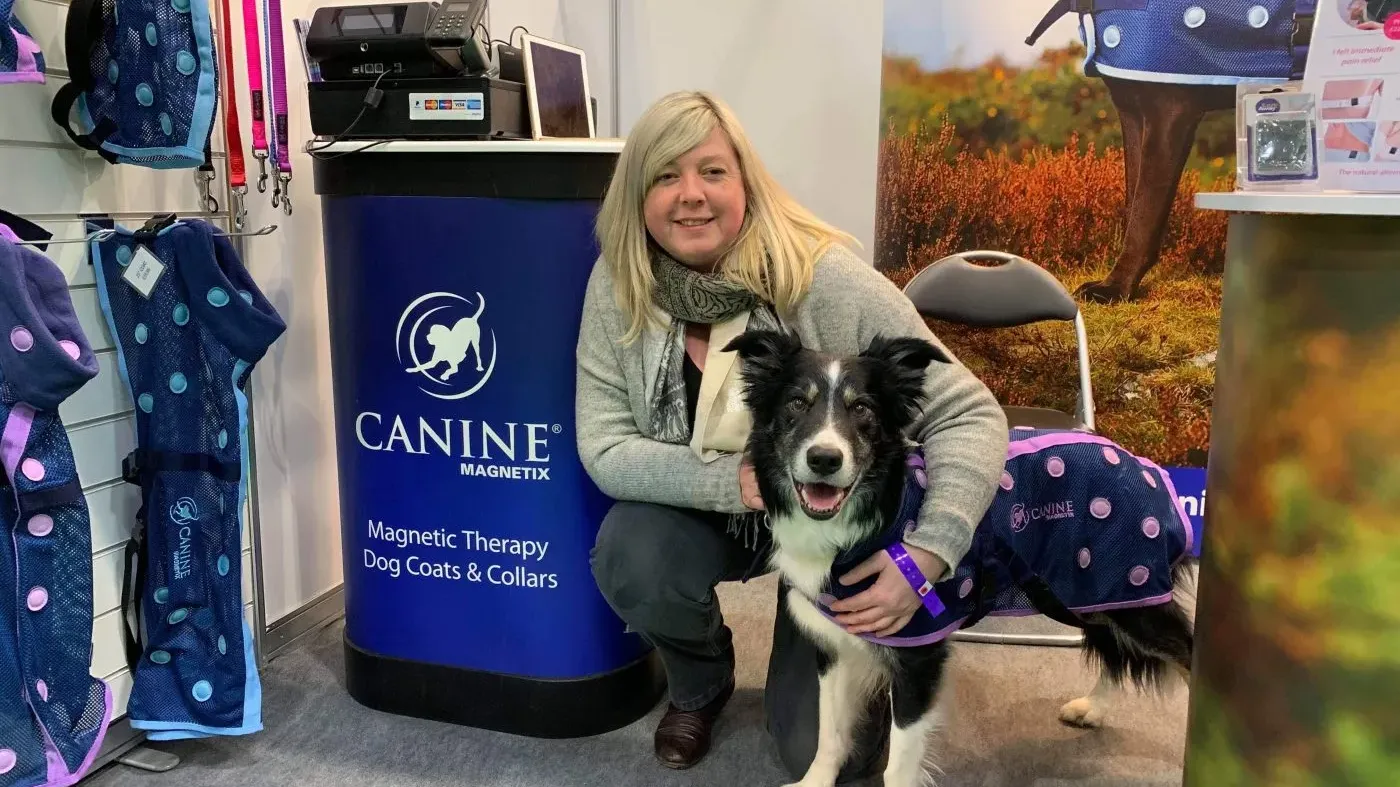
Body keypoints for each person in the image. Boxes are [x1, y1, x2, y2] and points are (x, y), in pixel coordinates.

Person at [575, 90, 1009, 782]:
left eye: (712, 172)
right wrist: (732, 483)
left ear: (746, 179)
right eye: (664, 175)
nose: (690, 195)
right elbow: (604, 445)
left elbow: (973, 413)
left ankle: (829, 656)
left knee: (822, 755)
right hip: (717, 515)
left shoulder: (820, 276)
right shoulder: (620, 283)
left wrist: (930, 553)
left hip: (832, 533)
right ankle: (701, 680)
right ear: (636, 193)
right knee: (631, 552)